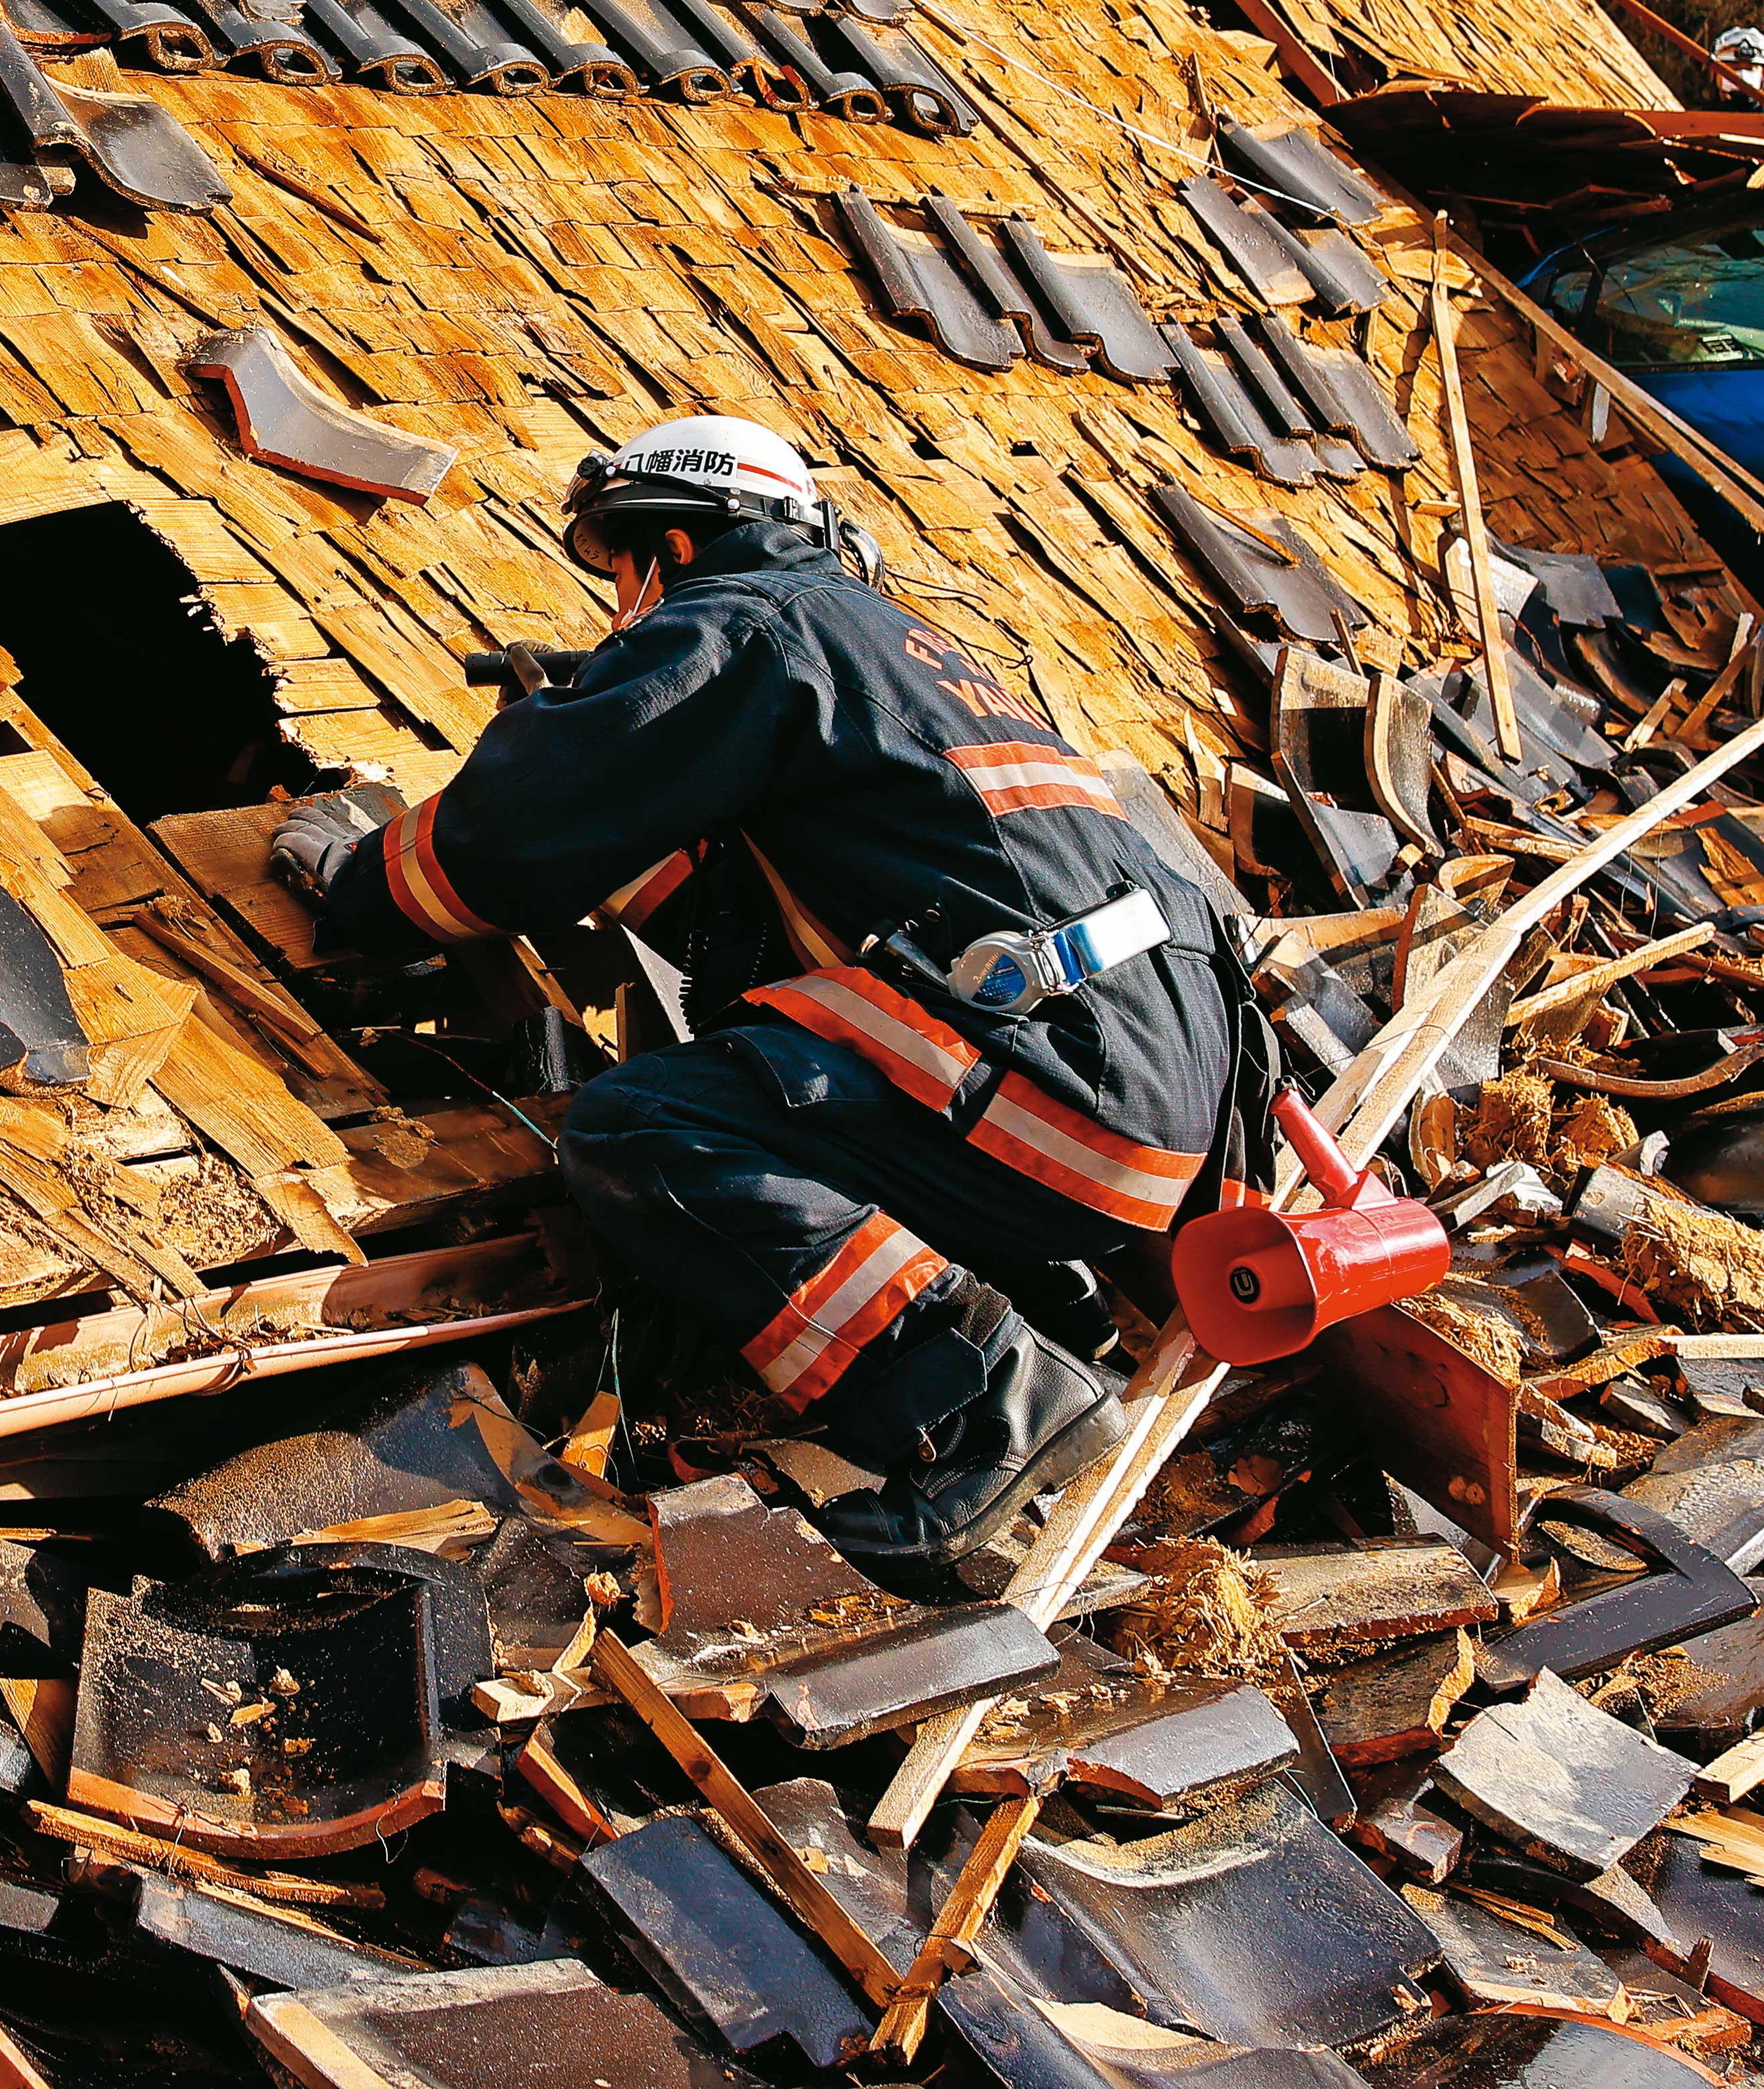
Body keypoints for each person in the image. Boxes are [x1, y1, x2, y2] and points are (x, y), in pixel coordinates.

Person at [273, 415, 1258, 1584]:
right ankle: (1041, 1312)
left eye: (620, 571)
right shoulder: (894, 646)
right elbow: (746, 924)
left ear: (675, 545)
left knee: (645, 1127)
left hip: (1059, 1101)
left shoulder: (744, 619)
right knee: (775, 1062)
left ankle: (990, 1405)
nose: (621, 608)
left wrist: (359, 877)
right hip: (1146, 1107)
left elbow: (503, 841)